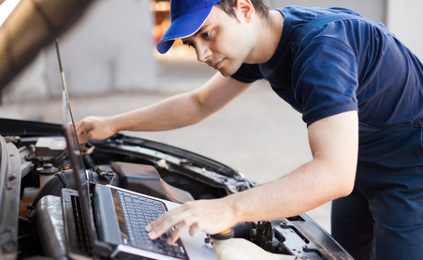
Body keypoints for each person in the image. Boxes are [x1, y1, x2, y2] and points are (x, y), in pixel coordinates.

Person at [76, 0, 423, 259]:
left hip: (410, 169)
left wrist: (226, 209)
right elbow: (199, 103)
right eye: (191, 43)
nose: (201, 54)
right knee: (344, 254)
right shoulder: (263, 41)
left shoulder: (321, 50)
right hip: (359, 155)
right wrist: (113, 123)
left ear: (243, 8)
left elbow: (334, 174)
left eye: (207, 34)